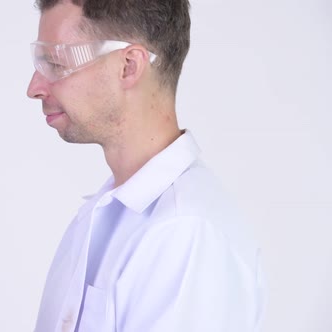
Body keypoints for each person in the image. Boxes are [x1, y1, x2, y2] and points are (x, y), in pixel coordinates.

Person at [26, 0, 266, 331]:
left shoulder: (186, 234)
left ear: (128, 65)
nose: (34, 88)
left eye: (54, 63)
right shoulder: (104, 213)